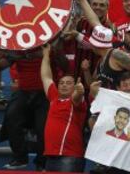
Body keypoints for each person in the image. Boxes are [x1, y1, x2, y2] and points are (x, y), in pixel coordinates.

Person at [41, 44, 86, 172]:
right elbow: (46, 77)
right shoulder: (54, 98)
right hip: (51, 156)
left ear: (74, 86)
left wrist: (80, 91)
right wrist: (45, 55)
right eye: (61, 83)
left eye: (68, 83)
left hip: (69, 157)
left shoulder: (76, 102)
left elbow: (77, 97)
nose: (63, 85)